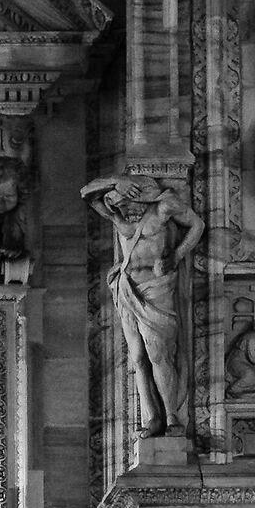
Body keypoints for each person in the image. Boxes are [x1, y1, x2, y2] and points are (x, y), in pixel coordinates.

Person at [80, 174, 205, 437]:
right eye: (122, 207)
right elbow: (87, 193)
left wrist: (176, 255)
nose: (127, 213)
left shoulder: (164, 207)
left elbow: (197, 225)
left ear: (145, 197)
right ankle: (152, 418)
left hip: (156, 288)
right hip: (127, 288)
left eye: (131, 206)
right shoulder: (120, 216)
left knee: (158, 354)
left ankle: (172, 417)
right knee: (137, 358)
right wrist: (115, 182)